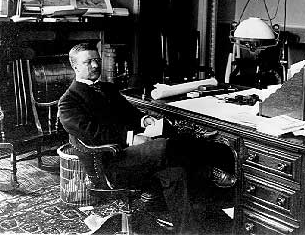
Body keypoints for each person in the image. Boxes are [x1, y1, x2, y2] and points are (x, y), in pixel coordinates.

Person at [58, 43, 235, 234]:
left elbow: (129, 112)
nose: (94, 66)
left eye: (97, 60)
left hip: (135, 157)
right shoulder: (68, 101)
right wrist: (131, 139)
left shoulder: (107, 88)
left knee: (175, 172)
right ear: (75, 67)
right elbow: (92, 134)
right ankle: (207, 170)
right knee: (165, 146)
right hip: (109, 164)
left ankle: (188, 231)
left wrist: (144, 119)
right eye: (88, 62)